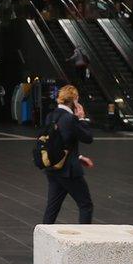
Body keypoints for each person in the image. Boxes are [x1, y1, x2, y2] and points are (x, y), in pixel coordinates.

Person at [42, 85, 95, 225]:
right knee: (85, 205)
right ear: (75, 100)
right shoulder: (69, 118)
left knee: (52, 208)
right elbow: (88, 138)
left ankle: (43, 240)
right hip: (69, 171)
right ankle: (84, 242)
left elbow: (58, 143)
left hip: (53, 168)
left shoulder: (50, 116)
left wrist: (78, 157)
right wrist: (82, 118)